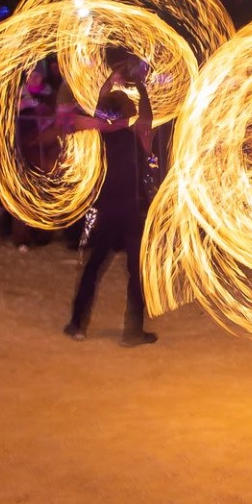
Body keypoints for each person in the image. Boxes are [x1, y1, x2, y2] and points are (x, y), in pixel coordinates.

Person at [63, 53, 159, 346]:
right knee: (135, 272)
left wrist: (113, 79)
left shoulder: (101, 133)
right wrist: (140, 86)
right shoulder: (135, 134)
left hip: (108, 206)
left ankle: (77, 323)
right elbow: (146, 117)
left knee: (94, 265)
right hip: (131, 208)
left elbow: (100, 107)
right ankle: (132, 332)